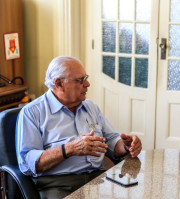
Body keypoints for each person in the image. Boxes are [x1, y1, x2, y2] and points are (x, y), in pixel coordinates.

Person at [16, 56, 142, 199]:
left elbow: (112, 141)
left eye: (86, 78)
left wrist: (126, 146)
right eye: (80, 80)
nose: (87, 84)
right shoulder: (32, 113)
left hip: (97, 179)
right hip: (58, 185)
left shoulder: (91, 107)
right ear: (59, 83)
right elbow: (27, 163)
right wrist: (69, 149)